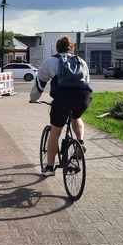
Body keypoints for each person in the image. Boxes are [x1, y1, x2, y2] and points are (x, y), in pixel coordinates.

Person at [29, 35, 92, 176]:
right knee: (77, 117)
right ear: (72, 48)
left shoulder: (50, 62)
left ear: (57, 48)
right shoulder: (81, 61)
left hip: (62, 100)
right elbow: (87, 82)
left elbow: (39, 85)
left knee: (55, 132)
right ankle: (80, 142)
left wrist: (34, 99)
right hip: (83, 99)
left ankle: (50, 168)